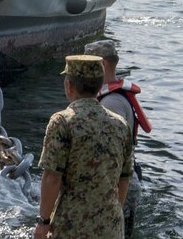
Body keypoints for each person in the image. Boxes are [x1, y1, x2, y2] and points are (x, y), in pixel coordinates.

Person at [35, 54, 134, 239]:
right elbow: (125, 177)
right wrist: (112, 213)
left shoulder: (62, 121)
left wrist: (43, 222)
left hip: (71, 227)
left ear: (69, 86)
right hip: (111, 227)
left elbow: (52, 177)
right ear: (99, 86)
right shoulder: (121, 125)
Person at [85, 39, 152, 238]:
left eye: (87, 64)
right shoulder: (113, 96)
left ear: (103, 64)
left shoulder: (110, 103)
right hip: (122, 184)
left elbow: (108, 154)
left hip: (117, 188)